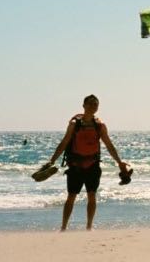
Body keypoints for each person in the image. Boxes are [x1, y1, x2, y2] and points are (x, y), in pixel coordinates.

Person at [47, 94, 132, 231]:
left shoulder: (99, 126)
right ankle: (63, 227)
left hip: (93, 165)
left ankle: (89, 227)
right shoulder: (75, 124)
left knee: (92, 196)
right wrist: (51, 161)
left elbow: (109, 145)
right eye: (90, 104)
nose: (93, 106)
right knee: (71, 196)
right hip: (75, 166)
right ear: (84, 105)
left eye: (95, 104)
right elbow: (64, 142)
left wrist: (119, 162)